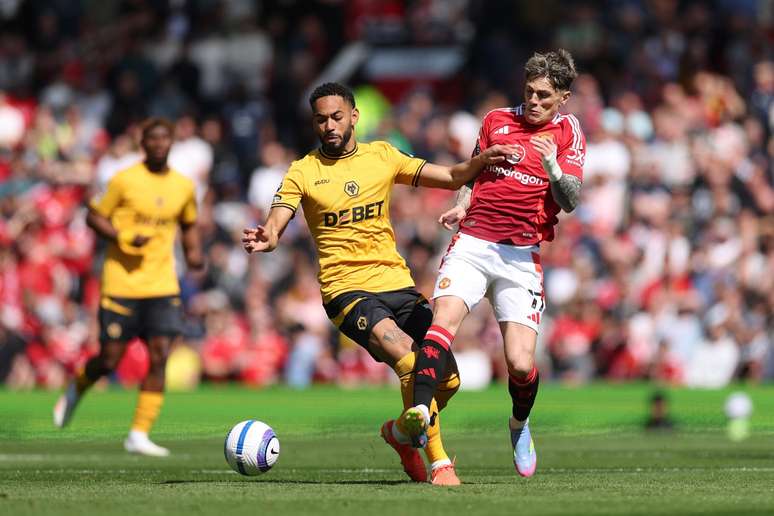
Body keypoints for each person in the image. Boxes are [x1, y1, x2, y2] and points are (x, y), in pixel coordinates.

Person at [242, 82, 517, 485]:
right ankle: (440, 463)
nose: (329, 126)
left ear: (354, 116)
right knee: (408, 358)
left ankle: (402, 434)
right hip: (346, 290)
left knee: (448, 380)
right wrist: (268, 235)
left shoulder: (382, 156)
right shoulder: (303, 170)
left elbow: (453, 175)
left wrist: (483, 160)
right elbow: (277, 218)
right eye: (321, 119)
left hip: (397, 283)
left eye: (337, 117)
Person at [400, 50, 585, 478]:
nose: (534, 102)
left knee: (520, 363)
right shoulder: (496, 120)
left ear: (563, 97)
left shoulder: (568, 132)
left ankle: (518, 425)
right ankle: (421, 414)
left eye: (544, 95)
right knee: (441, 323)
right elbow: (475, 175)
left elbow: (570, 200)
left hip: (521, 256)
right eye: (529, 92)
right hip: (474, 242)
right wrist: (462, 205)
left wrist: (553, 166)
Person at [53, 118, 204, 457]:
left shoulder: (183, 185)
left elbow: (189, 222)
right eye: (153, 139)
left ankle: (139, 433)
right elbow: (93, 216)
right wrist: (121, 236)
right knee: (110, 359)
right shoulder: (123, 180)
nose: (160, 144)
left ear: (172, 144)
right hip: (122, 282)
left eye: (165, 138)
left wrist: (194, 255)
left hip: (162, 283)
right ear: (143, 144)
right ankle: (78, 386)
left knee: (160, 354)